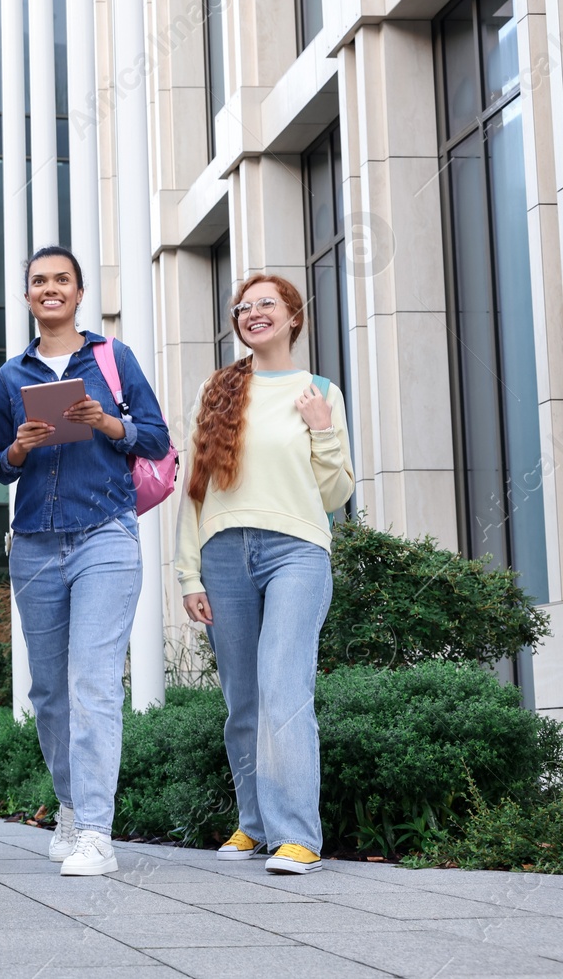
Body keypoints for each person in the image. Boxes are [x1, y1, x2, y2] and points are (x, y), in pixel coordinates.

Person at [0, 247, 171, 877]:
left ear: (80, 291)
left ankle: (97, 831)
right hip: (36, 540)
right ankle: (69, 807)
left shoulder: (113, 359)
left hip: (105, 534)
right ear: (28, 295)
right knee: (49, 692)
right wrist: (19, 446)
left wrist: (108, 422)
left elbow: (157, 437)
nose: (49, 289)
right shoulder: (13, 375)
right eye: (38, 281)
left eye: (60, 280)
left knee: (93, 683)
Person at [177, 272, 353, 876]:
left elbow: (335, 491)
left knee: (283, 687)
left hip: (297, 551)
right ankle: (253, 823)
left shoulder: (319, 390)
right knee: (243, 699)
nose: (253, 314)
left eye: (266, 305)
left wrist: (322, 428)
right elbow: (193, 489)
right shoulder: (219, 390)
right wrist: (187, 575)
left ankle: (297, 836)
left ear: (292, 317)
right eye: (243, 307)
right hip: (223, 552)